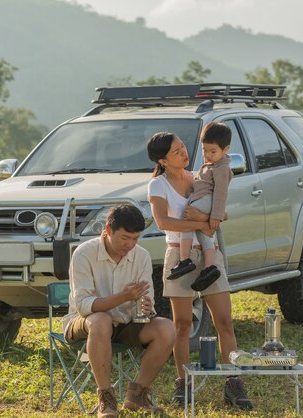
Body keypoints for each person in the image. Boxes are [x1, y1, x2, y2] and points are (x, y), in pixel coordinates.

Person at [146, 131, 253, 410]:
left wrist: (203, 220)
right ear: (163, 160)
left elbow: (223, 212)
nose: (184, 153)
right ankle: (184, 383)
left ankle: (234, 381)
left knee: (225, 322)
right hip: (179, 257)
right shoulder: (157, 185)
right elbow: (162, 221)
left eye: (183, 147)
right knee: (182, 325)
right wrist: (200, 225)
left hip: (208, 254)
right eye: (176, 152)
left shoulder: (200, 176)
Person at [62, 204, 175, 418]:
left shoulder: (141, 256)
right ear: (108, 230)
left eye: (135, 239)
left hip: (125, 322)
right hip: (84, 323)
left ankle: (137, 396)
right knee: (101, 320)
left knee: (166, 328)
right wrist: (123, 297)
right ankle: (106, 398)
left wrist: (147, 307)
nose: (130, 244)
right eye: (125, 238)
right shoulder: (84, 253)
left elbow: (146, 298)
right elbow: (84, 305)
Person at [167, 122, 233, 294]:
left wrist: (215, 216)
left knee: (187, 220)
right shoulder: (212, 165)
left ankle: (185, 259)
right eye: (205, 150)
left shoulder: (222, 168)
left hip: (208, 200)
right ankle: (209, 267)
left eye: (213, 151)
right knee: (203, 233)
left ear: (225, 149)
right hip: (205, 199)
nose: (208, 155)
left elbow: (220, 193)